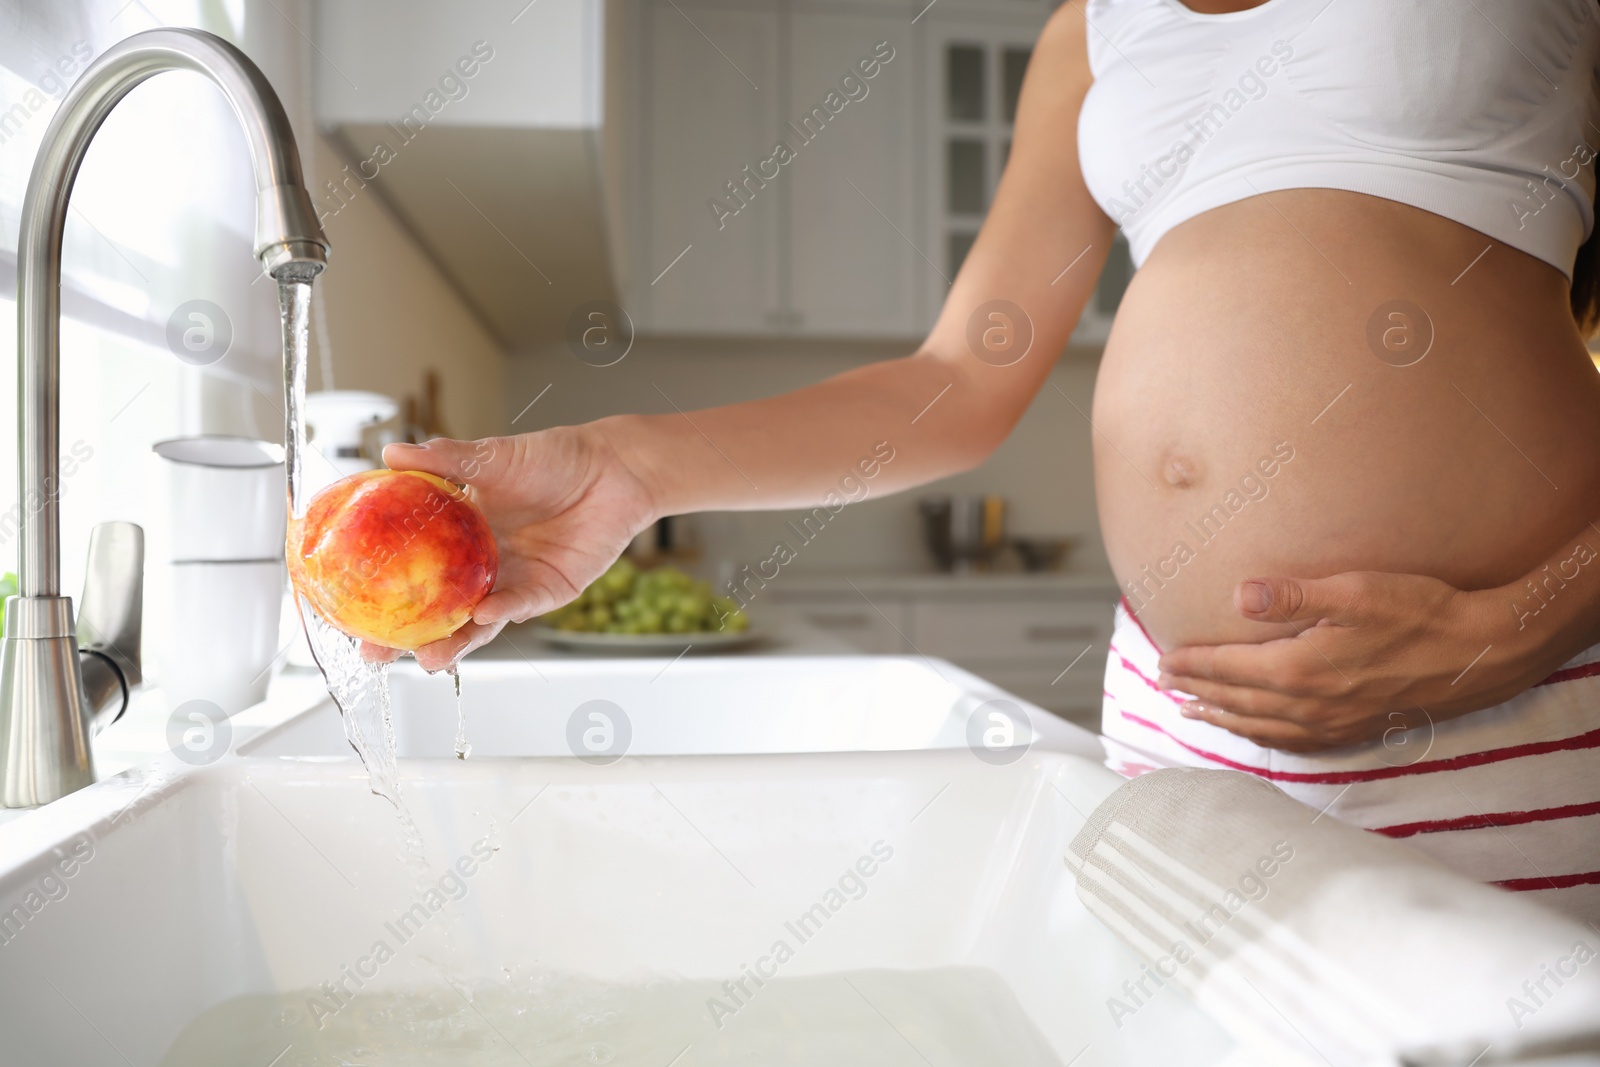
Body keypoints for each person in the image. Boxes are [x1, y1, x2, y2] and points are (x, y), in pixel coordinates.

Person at [374, 0, 1600, 921]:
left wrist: (1523, 619)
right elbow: (956, 382)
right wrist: (623, 465)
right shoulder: (1093, 28)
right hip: (1190, 723)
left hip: (1501, 702)